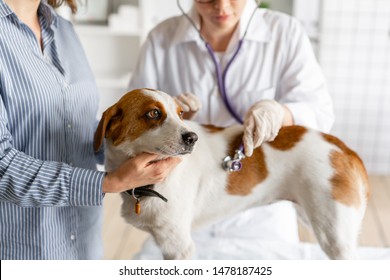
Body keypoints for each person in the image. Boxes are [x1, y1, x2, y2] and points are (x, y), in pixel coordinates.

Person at [129, 0, 334, 259]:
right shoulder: (162, 38)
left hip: (260, 209)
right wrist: (170, 121)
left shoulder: (285, 32)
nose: (221, 7)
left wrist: (280, 112)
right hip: (182, 207)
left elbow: (320, 112)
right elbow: (131, 123)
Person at [0, 0, 181, 260]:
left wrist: (146, 135)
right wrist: (110, 182)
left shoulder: (62, 28)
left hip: (84, 240)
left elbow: (77, 125)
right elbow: (2, 166)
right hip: (24, 249)